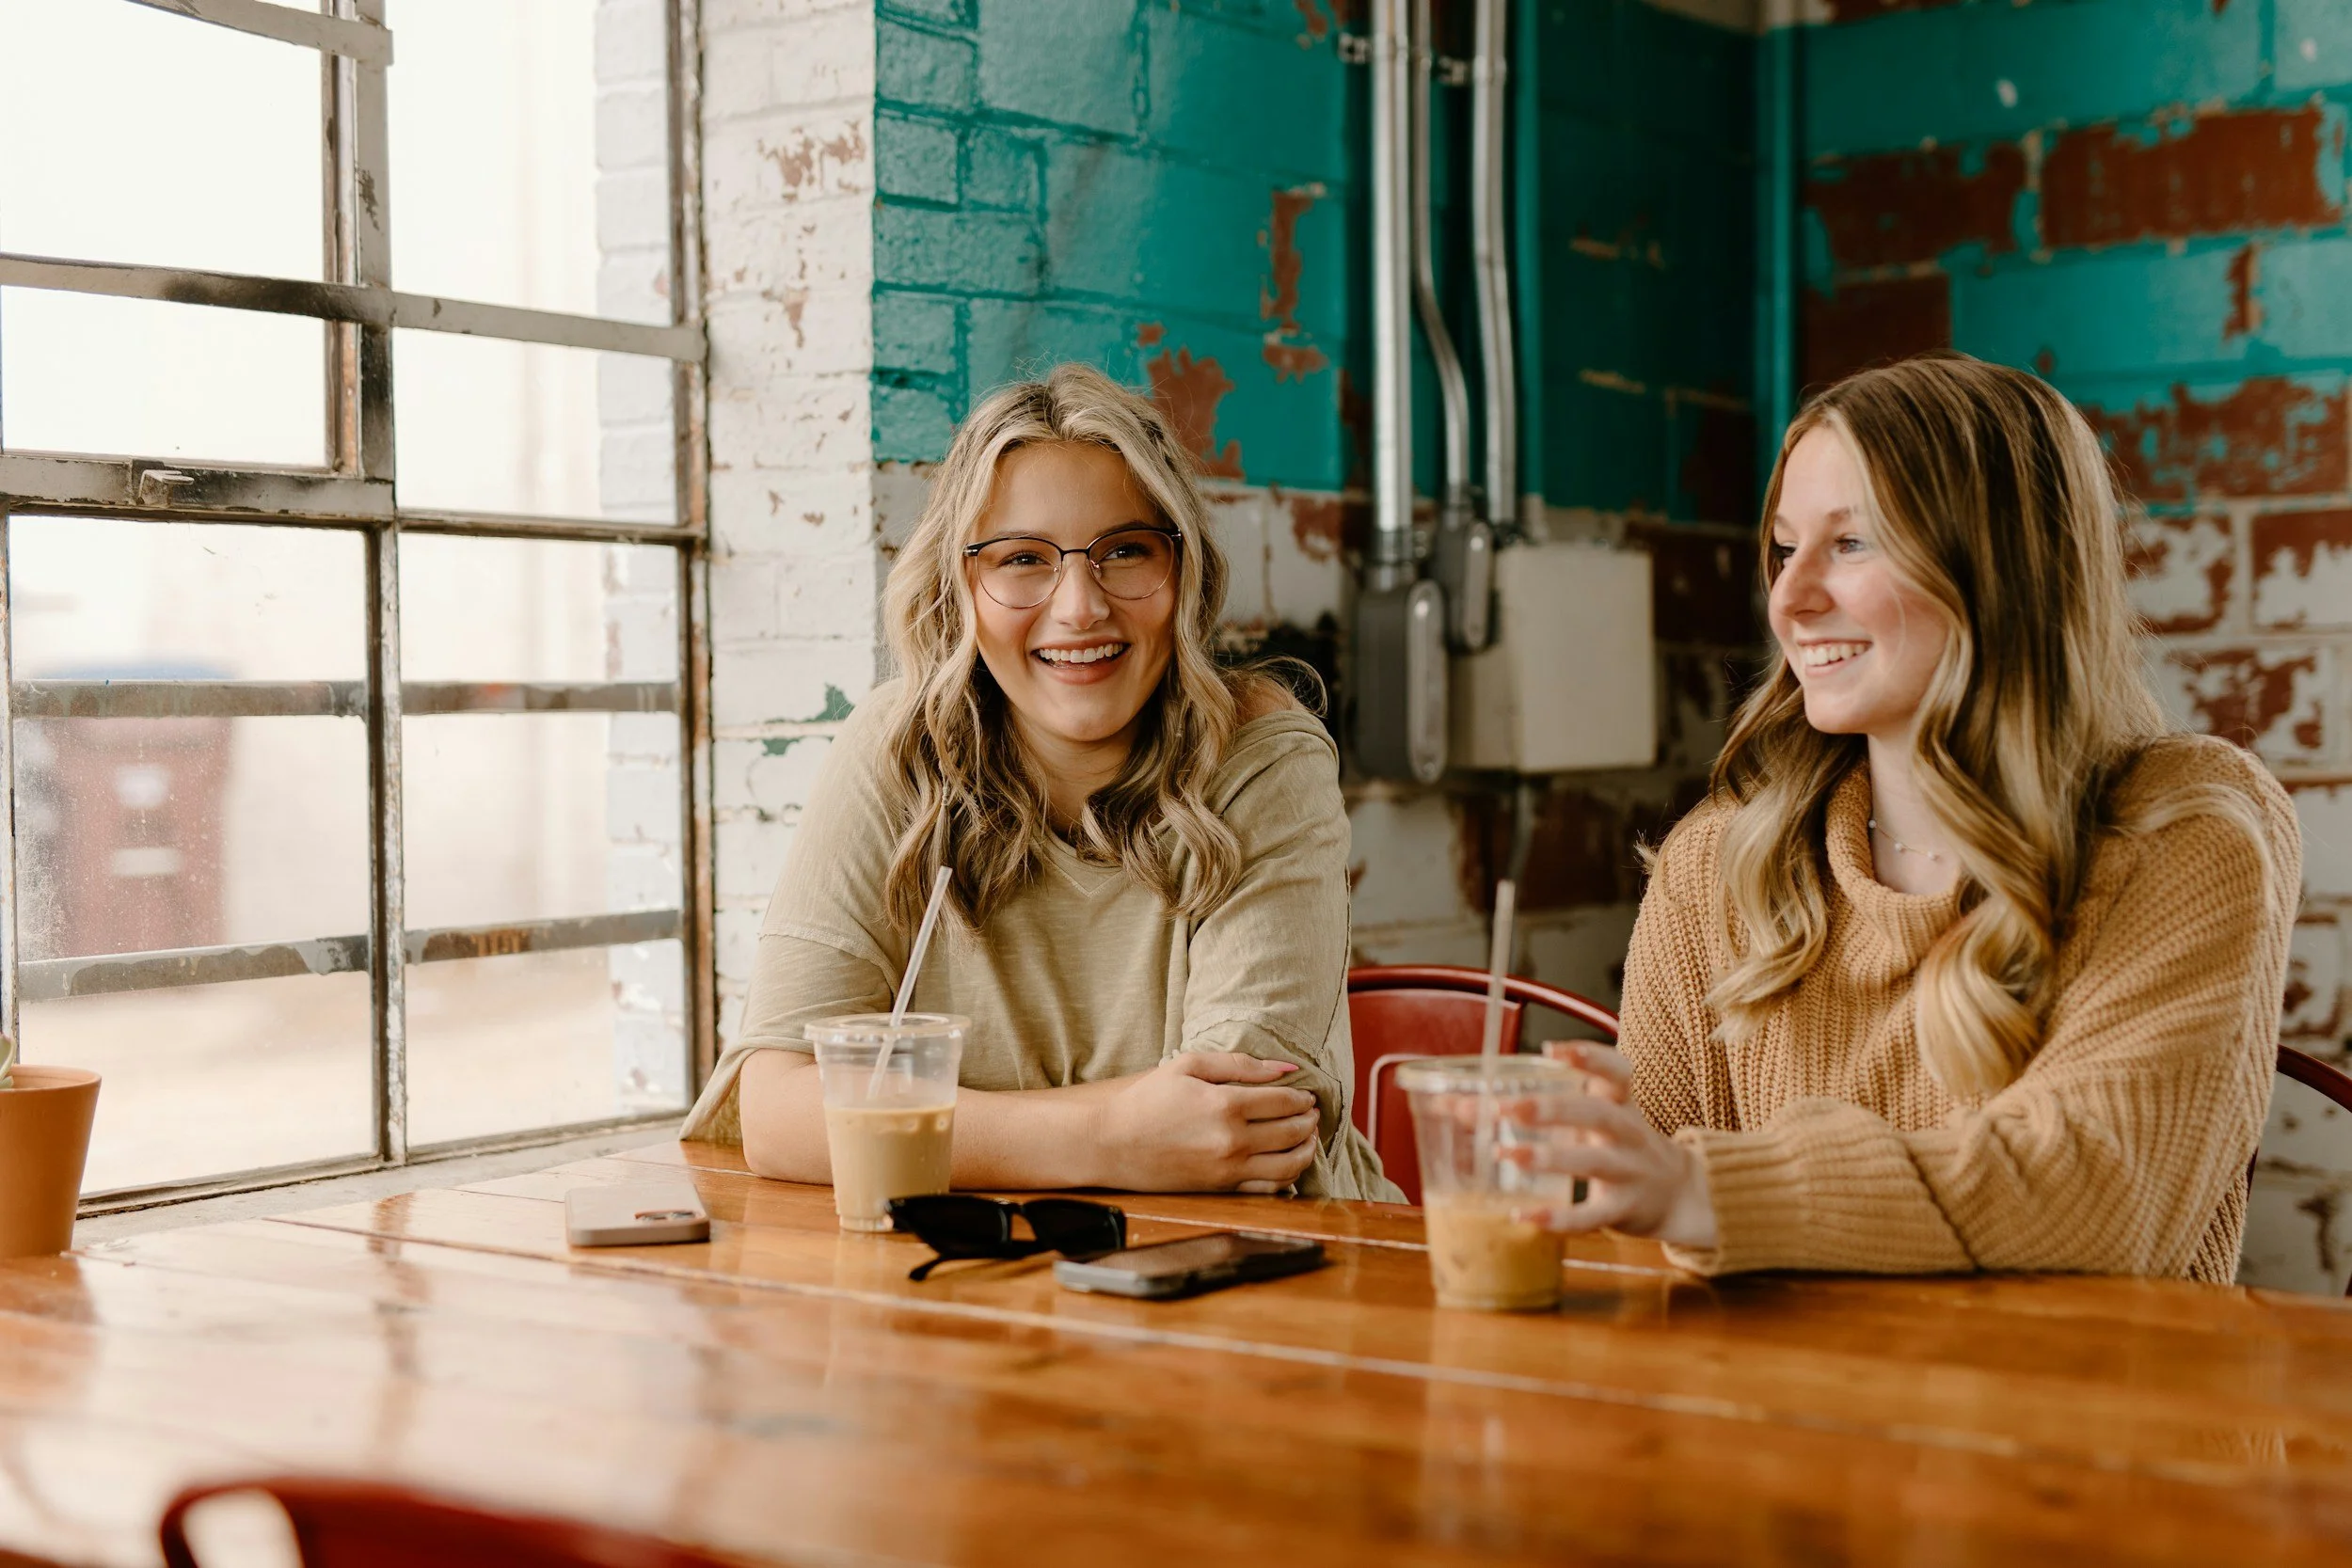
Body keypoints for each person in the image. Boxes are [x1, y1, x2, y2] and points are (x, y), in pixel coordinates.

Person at [1529, 353, 2299, 1282]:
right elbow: (1637, 1242)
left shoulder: (2187, 830)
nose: (1791, 595)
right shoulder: (1718, 863)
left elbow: (2094, 1193)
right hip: (1782, 1418)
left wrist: (1705, 1186)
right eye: (1783, 546)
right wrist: (1589, 1165)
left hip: (2088, 1419)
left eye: (1852, 543)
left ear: (2001, 567)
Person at [679, 362, 1399, 1201]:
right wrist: (1109, 1138)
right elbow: (774, 1110)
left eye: (1125, 550)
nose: (1080, 607)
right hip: (980, 1282)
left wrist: (915, 1125)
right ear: (961, 588)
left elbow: (1232, 1135)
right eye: (1023, 559)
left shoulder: (1262, 761)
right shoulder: (895, 752)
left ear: (1184, 570)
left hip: (1271, 1281)